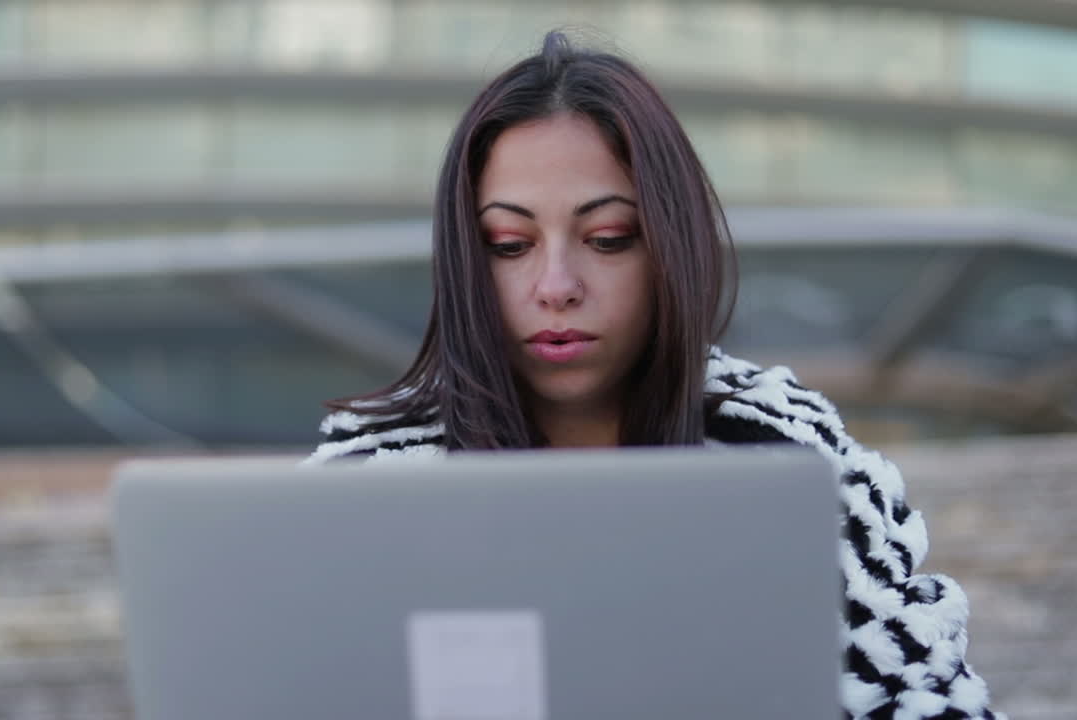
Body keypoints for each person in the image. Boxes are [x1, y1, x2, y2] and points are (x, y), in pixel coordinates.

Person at [305, 30, 1001, 719]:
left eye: (608, 239)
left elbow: (926, 702)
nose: (556, 286)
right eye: (509, 245)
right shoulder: (366, 486)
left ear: (670, 245)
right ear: (464, 260)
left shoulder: (787, 455)